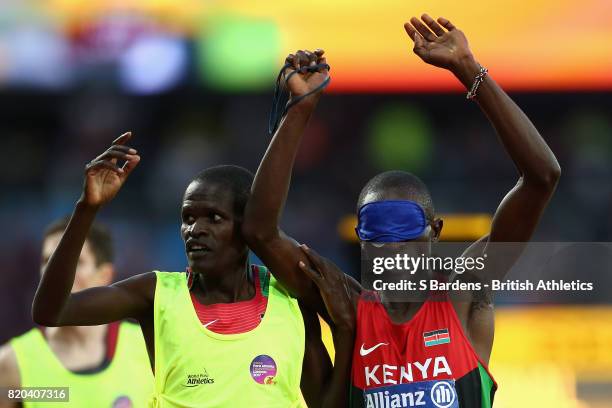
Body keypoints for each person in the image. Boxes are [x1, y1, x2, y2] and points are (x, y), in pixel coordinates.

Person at [242, 14, 561, 407]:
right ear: (361, 238)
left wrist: (469, 71)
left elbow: (542, 178)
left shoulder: (464, 294)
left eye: (407, 234)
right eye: (378, 235)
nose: (392, 251)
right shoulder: (347, 304)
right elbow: (260, 232)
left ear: (436, 231)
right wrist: (300, 111)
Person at [31, 48, 348, 408]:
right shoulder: (156, 295)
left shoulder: (290, 303)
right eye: (188, 217)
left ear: (246, 226)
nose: (194, 229)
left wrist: (346, 334)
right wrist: (87, 209)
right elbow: (50, 312)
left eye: (214, 218)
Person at [0, 218, 153, 408]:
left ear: (104, 275)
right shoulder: (11, 363)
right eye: (48, 260)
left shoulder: (148, 347)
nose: (55, 272)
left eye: (76, 261)